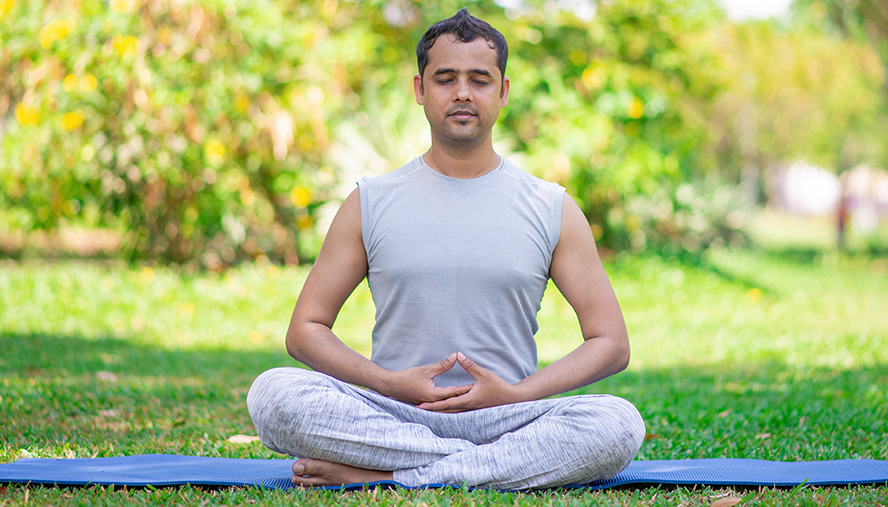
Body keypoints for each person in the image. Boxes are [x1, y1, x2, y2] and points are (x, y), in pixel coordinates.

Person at [247, 8, 645, 489]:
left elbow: (611, 343)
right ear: (420, 90)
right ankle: (481, 468)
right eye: (445, 78)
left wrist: (516, 395)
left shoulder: (550, 206)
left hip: (508, 417)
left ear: (503, 92)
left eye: (479, 79)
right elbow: (304, 331)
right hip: (395, 414)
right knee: (274, 393)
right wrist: (388, 382)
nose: (462, 92)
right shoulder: (370, 201)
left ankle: (392, 474)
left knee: (619, 422)